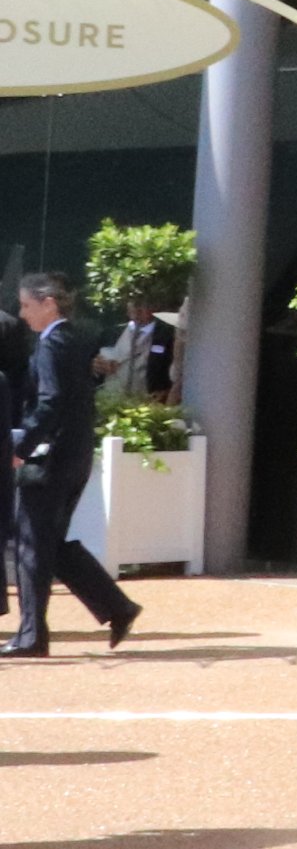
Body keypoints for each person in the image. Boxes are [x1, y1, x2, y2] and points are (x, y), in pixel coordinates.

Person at [2, 271, 135, 658]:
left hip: (50, 459)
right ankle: (116, 607)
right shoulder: (75, 339)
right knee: (50, 544)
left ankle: (31, 636)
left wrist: (22, 446)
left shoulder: (51, 344)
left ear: (49, 304)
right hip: (75, 457)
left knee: (30, 545)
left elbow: (51, 401)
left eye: (27, 305)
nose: (22, 314)